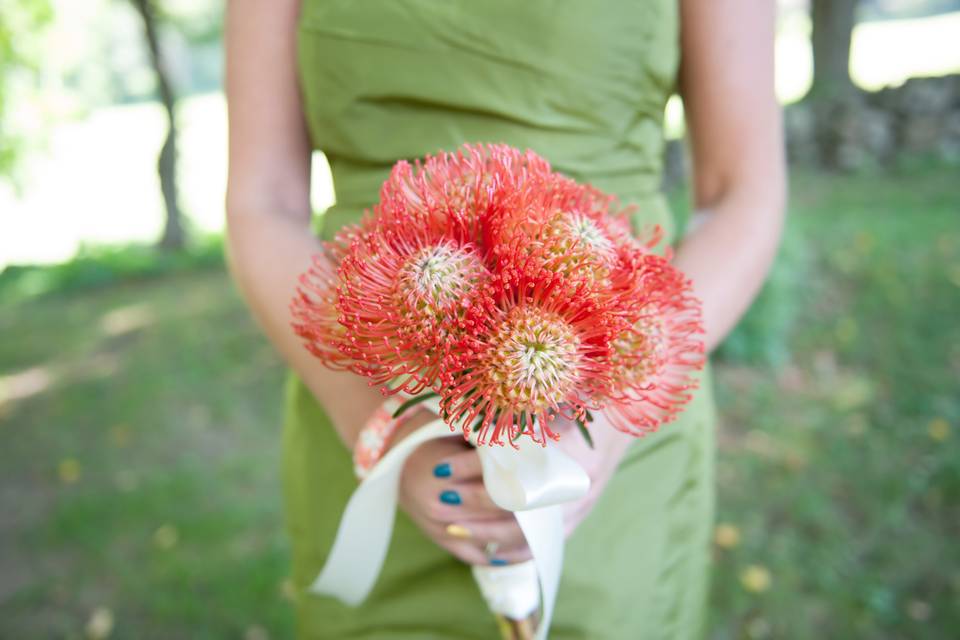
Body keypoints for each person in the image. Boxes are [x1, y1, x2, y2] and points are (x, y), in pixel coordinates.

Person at [224, 0, 785, 637]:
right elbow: (260, 203)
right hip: (360, 399)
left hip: (613, 429)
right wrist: (382, 430)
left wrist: (610, 409)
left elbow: (741, 192)